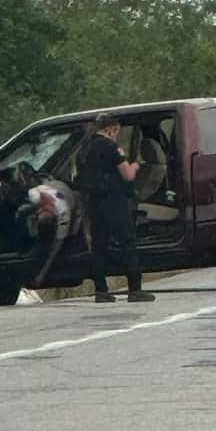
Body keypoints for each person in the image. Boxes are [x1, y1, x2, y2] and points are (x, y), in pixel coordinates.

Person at [77, 113, 155, 303]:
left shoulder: (83, 149)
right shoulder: (110, 147)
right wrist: (136, 166)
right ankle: (135, 290)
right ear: (111, 129)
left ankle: (101, 291)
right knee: (127, 242)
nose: (116, 135)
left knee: (99, 246)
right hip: (114, 201)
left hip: (94, 202)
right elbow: (127, 175)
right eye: (116, 132)